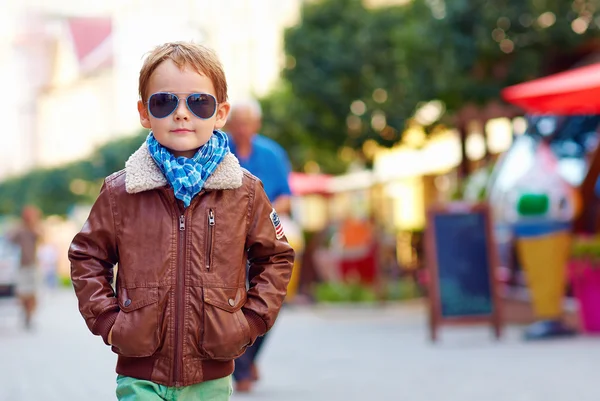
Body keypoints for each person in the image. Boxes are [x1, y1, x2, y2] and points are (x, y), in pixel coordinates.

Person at [69, 42, 294, 401]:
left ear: (221, 113)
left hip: (211, 371)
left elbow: (276, 257)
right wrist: (108, 322)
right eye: (165, 102)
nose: (182, 114)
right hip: (140, 371)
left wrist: (249, 322)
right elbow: (87, 256)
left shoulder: (245, 191)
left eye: (198, 102)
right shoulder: (121, 191)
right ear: (145, 112)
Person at [226, 99, 293, 393]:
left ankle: (250, 356)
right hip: (227, 240)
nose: (242, 128)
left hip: (265, 236)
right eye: (237, 122)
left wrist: (262, 215)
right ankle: (240, 370)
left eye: (247, 122)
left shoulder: (272, 153)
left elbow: (286, 197)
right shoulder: (217, 149)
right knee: (231, 302)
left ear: (257, 125)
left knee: (269, 300)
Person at [8, 205, 42, 330]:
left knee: (32, 293)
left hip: (33, 265)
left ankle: (29, 315)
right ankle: (25, 312)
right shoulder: (19, 229)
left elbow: (42, 237)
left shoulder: (35, 229)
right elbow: (10, 238)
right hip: (21, 266)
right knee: (22, 293)